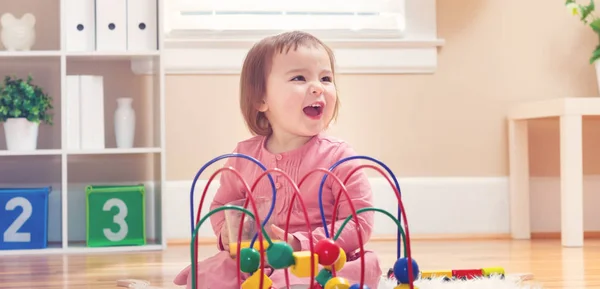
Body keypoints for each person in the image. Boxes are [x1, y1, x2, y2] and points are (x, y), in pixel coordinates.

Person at [173, 30, 382, 289]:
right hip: (256, 259)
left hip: (318, 259)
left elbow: (360, 222)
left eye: (326, 78)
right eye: (299, 78)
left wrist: (301, 243)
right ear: (262, 99)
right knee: (208, 274)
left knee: (353, 271)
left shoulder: (339, 157)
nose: (318, 86)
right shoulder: (244, 157)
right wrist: (227, 232)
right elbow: (222, 206)